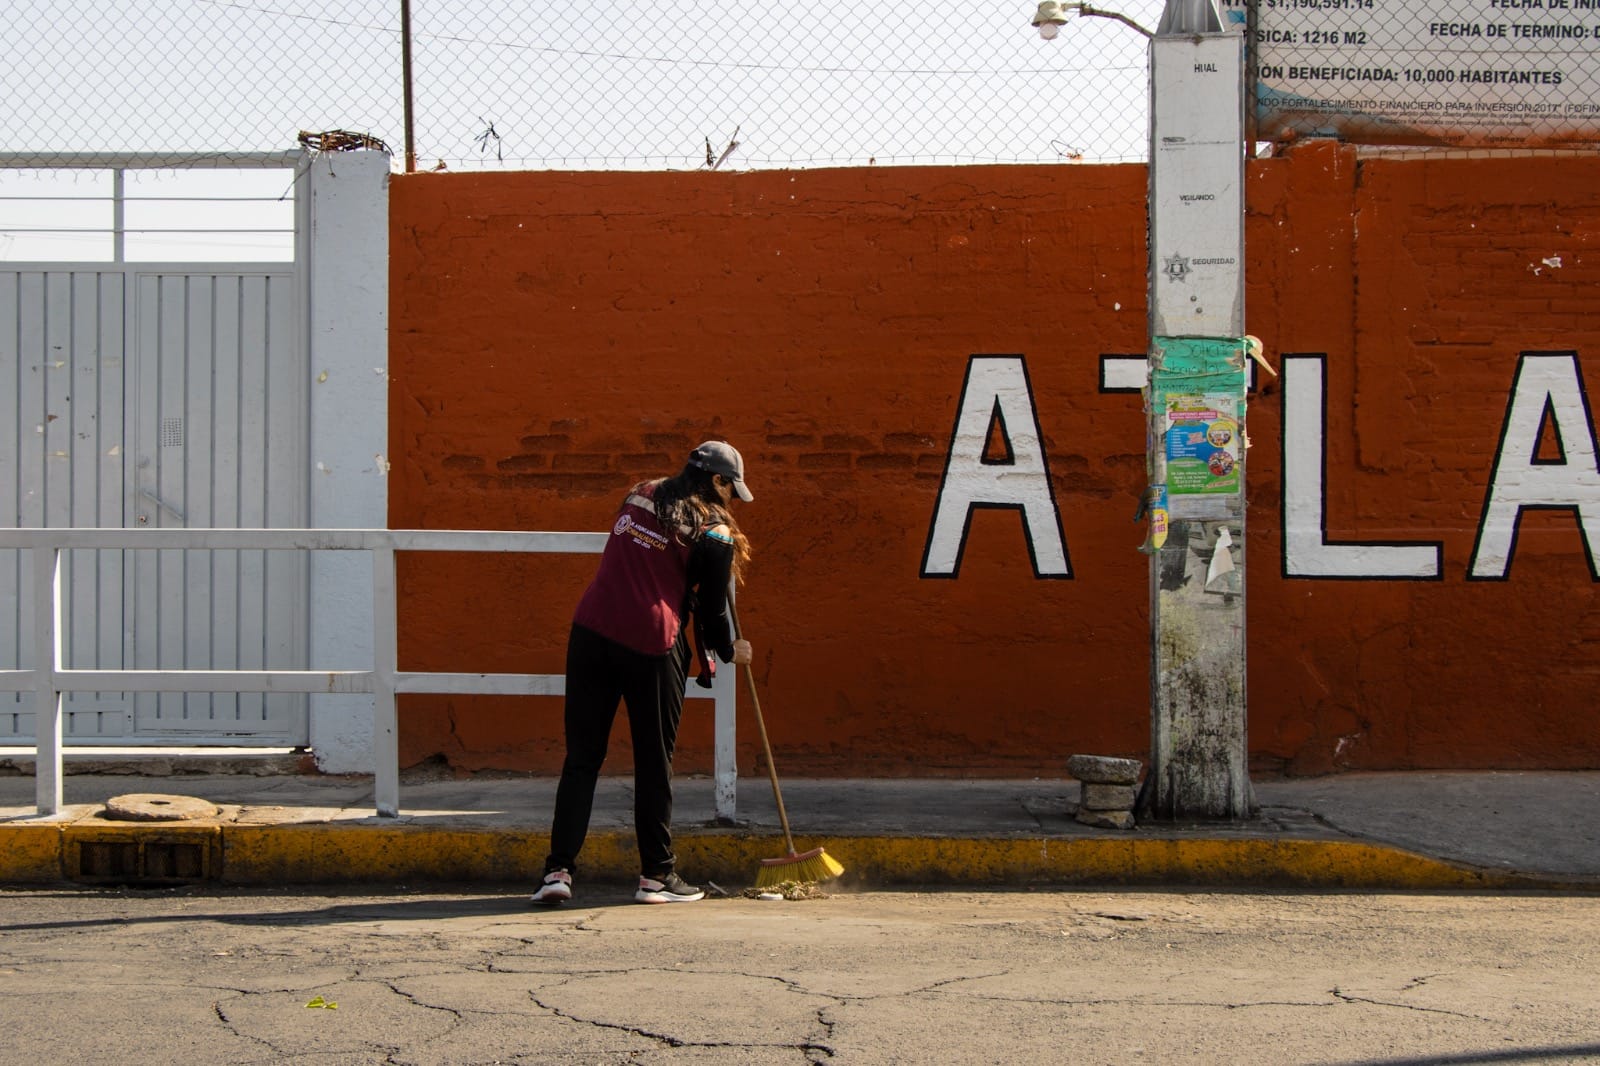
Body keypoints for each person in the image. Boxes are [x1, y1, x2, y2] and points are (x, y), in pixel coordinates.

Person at [532, 441, 754, 905]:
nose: (733, 497)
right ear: (717, 481)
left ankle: (557, 873)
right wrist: (732, 650)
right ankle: (657, 876)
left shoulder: (641, 493)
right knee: (654, 763)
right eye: (732, 487)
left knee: (581, 760)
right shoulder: (715, 533)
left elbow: (642, 561)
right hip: (652, 644)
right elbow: (713, 611)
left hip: (591, 631)